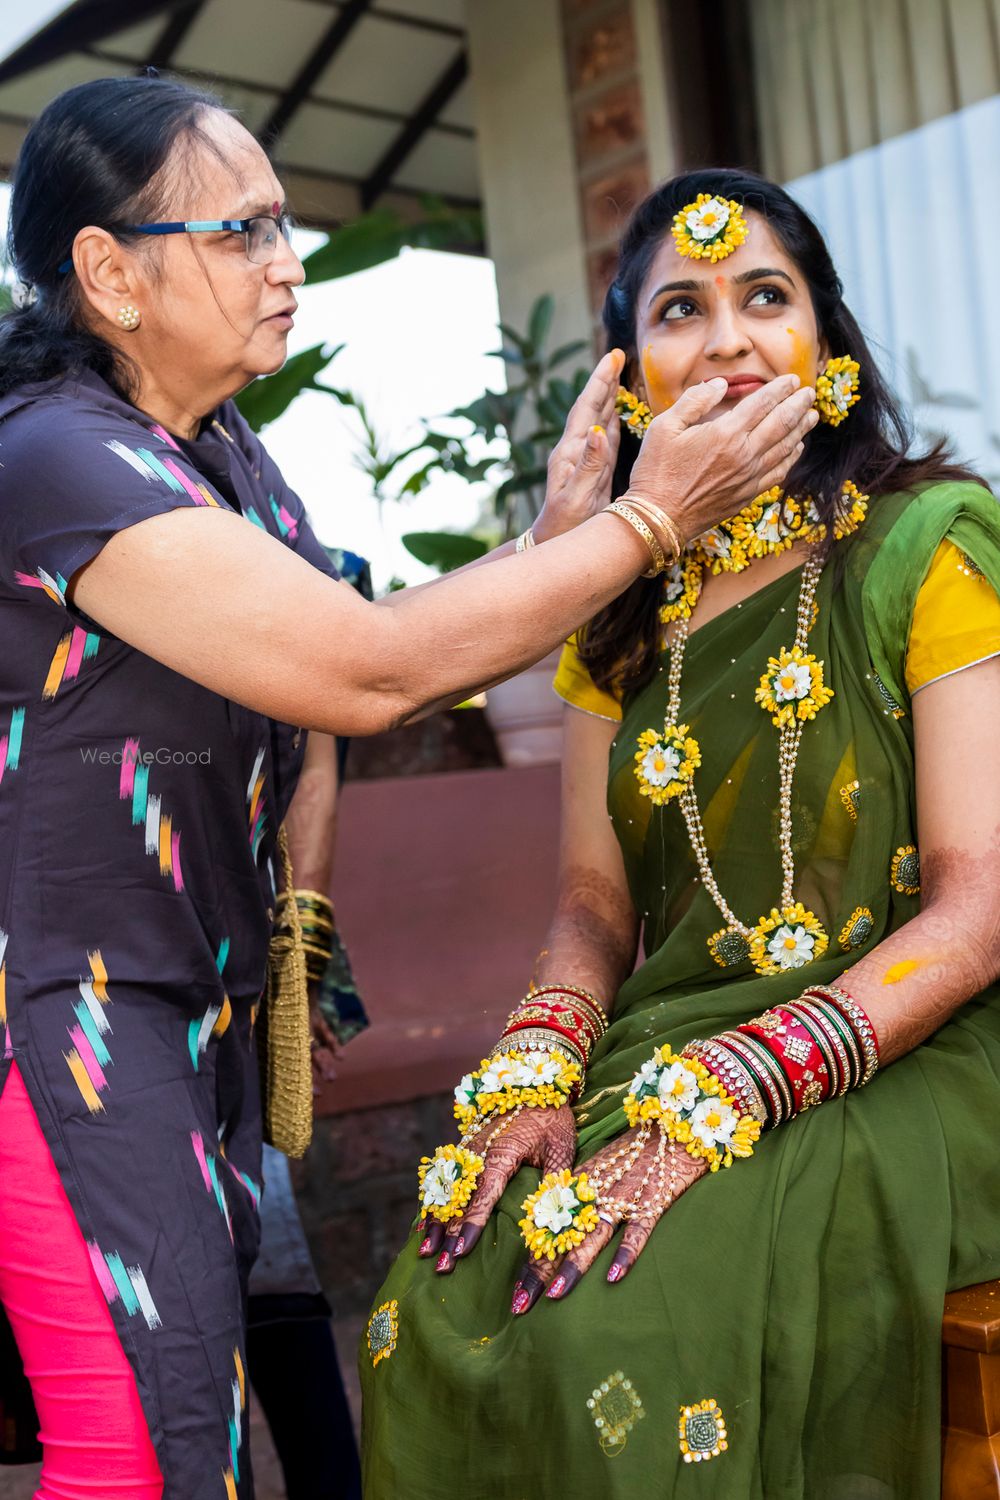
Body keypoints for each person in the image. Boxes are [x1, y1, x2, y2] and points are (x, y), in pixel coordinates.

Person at [0, 76, 815, 1500]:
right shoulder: (60, 459)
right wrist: (646, 520)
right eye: (240, 229)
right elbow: (368, 672)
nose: (285, 261)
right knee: (137, 1450)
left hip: (178, 1006)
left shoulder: (221, 459)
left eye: (285, 223)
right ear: (109, 274)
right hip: (56, 1014)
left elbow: (396, 662)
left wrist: (562, 530)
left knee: (193, 1427)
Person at [360, 169, 1000, 1500]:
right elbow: (595, 907)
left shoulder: (929, 545)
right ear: (630, 379)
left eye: (767, 296)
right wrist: (537, 1065)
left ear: (824, 341)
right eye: (679, 310)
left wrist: (750, 1080)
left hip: (919, 1046)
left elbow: (978, 904)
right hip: (680, 1043)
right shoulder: (620, 615)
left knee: (617, 1311)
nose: (726, 337)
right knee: (453, 1274)